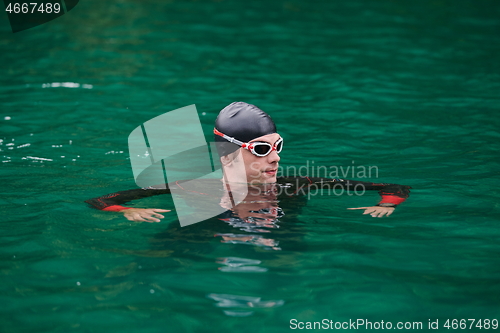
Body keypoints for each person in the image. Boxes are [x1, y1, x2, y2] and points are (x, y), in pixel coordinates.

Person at [85, 102, 410, 223]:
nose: (277, 156)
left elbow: (392, 186)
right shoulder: (194, 187)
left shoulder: (296, 184)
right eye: (261, 149)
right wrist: (127, 210)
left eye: (277, 145)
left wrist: (389, 205)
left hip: (279, 251)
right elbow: (100, 200)